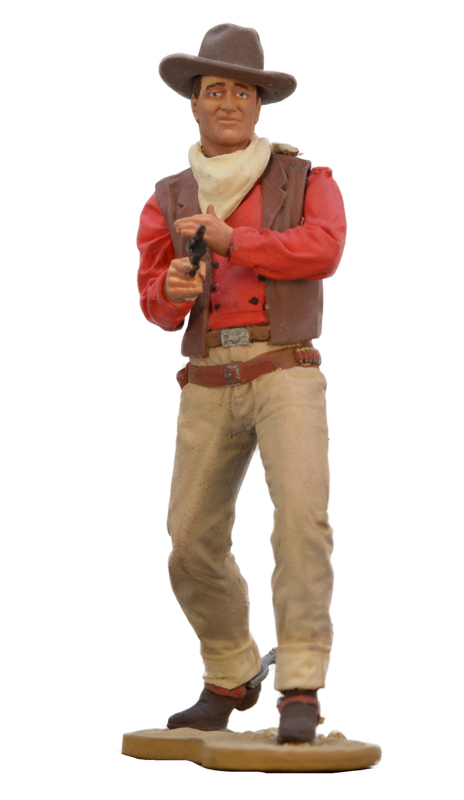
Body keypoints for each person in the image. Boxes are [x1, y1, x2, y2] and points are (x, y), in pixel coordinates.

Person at [137, 23, 346, 743]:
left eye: (241, 91)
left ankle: (301, 686)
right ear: (195, 103)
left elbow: (323, 248)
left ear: (259, 105)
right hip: (206, 376)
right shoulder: (168, 197)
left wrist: (237, 241)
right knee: (190, 537)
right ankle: (229, 671)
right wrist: (172, 289)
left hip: (284, 368)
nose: (228, 102)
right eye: (214, 90)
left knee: (301, 521)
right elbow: (155, 303)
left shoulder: (305, 179)